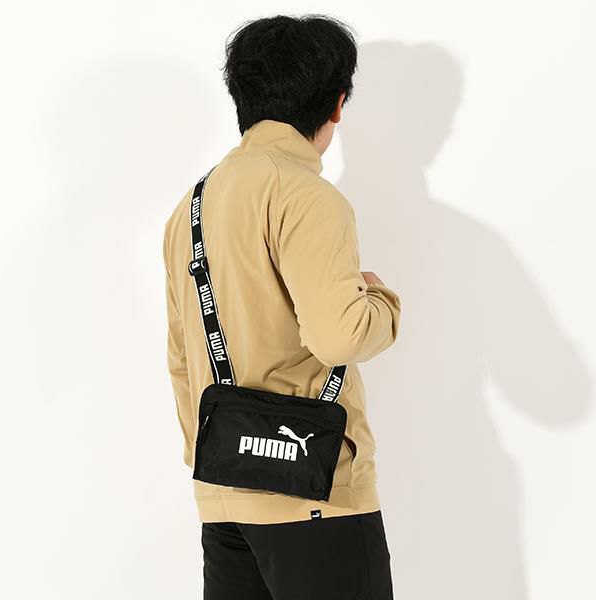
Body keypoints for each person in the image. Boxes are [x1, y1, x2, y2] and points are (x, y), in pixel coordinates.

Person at [163, 14, 401, 600]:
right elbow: (341, 337)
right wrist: (381, 300)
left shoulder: (190, 208)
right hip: (314, 494)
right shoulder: (307, 196)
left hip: (224, 496)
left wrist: (217, 466)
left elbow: (181, 360)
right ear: (337, 104)